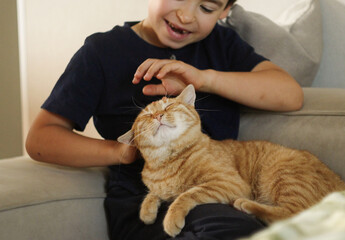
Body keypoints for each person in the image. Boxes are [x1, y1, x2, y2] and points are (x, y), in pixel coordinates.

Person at [26, 0, 303, 239]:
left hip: (220, 193)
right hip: (145, 201)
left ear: (225, 10)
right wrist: (123, 152)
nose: (186, 16)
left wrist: (205, 79)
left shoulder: (222, 44)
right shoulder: (102, 51)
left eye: (206, 7)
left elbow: (290, 94)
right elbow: (41, 139)